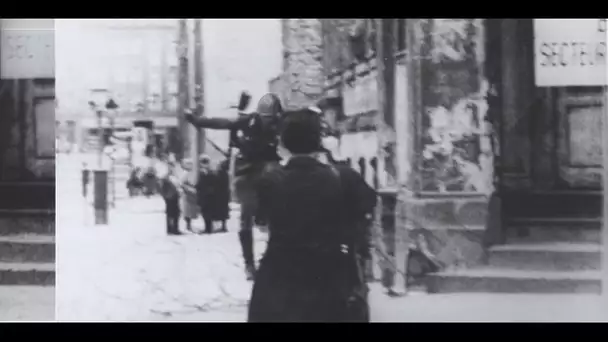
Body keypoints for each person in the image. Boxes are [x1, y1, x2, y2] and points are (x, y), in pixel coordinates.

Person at [247, 108, 377, 322]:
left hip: (280, 279)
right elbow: (367, 209)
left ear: (284, 142)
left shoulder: (269, 181)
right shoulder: (345, 178)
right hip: (331, 278)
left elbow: (261, 222)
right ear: (319, 141)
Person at [185, 92, 283, 280]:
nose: (269, 124)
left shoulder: (281, 123)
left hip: (269, 169)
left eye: (272, 120)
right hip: (247, 172)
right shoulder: (248, 122)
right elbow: (222, 123)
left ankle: (272, 253)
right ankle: (249, 263)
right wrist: (197, 120)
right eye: (267, 119)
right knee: (246, 215)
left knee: (278, 210)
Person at [159, 162, 182, 236]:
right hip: (169, 198)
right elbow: (162, 189)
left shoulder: (176, 176)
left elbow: (178, 186)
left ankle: (175, 228)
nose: (171, 169)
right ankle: (170, 229)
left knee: (176, 213)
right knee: (170, 214)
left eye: (172, 167)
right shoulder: (165, 178)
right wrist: (165, 196)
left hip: (176, 197)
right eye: (170, 167)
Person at [196, 155, 217, 235]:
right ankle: (208, 228)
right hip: (206, 196)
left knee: (207, 212)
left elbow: (212, 183)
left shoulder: (208, 172)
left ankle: (208, 228)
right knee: (205, 212)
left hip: (207, 196)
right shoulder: (205, 172)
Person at [178, 159, 199, 233]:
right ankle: (188, 225)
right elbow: (181, 184)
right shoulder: (185, 173)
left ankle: (189, 225)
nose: (190, 166)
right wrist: (189, 188)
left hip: (191, 194)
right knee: (187, 211)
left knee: (190, 211)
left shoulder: (190, 173)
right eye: (189, 164)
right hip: (187, 194)